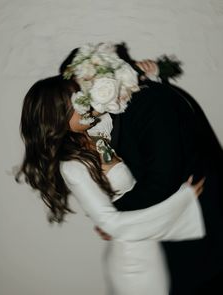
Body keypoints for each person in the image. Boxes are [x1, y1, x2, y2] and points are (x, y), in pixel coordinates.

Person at [15, 73, 205, 295]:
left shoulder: (95, 132)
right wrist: (183, 200)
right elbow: (112, 224)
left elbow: (118, 105)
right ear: (56, 115)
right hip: (134, 261)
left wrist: (144, 76)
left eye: (80, 97)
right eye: (75, 102)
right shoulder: (72, 166)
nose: (83, 103)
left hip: (149, 247)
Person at [95, 44, 223, 295]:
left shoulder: (150, 102)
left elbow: (161, 178)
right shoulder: (129, 106)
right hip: (177, 223)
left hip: (199, 226)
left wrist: (112, 218)